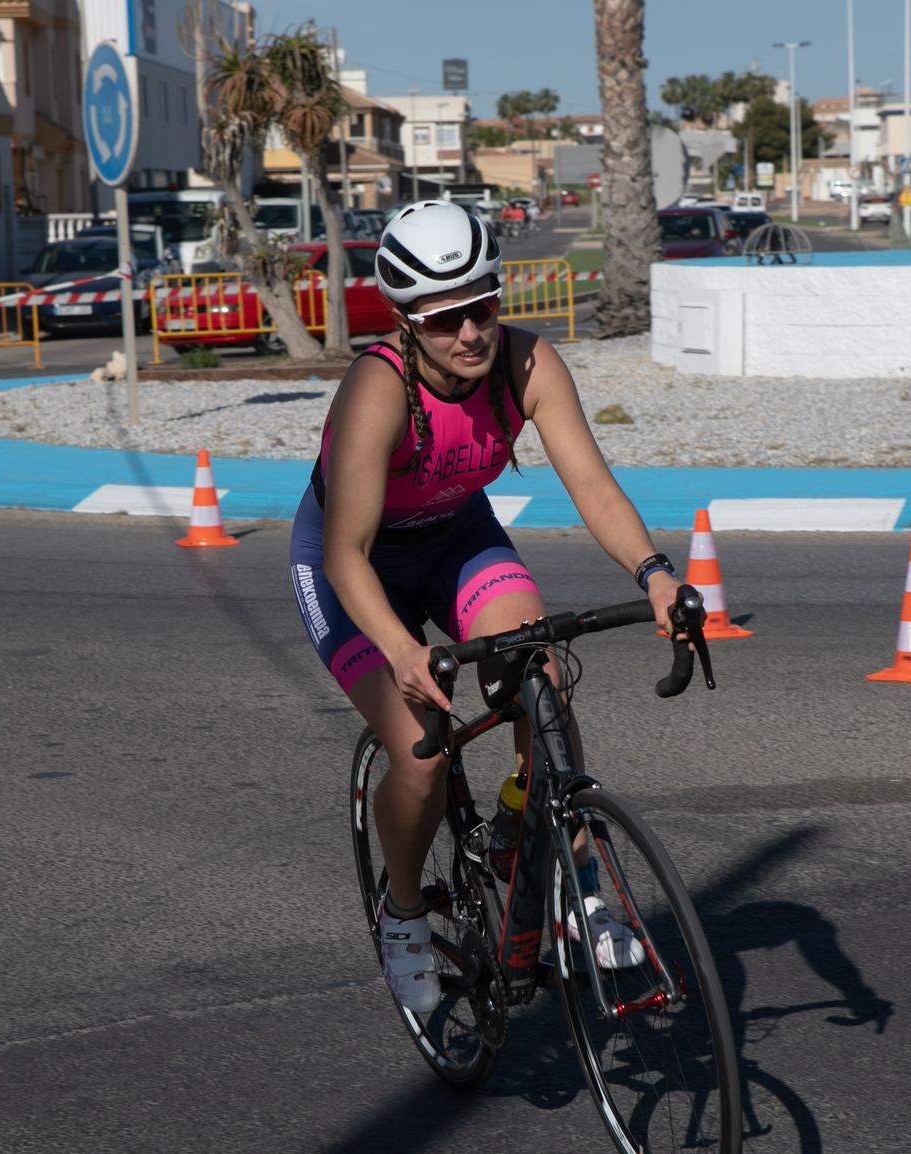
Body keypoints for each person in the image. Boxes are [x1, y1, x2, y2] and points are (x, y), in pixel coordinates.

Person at [287, 199, 685, 1013]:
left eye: (483, 306)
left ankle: (562, 867)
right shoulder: (377, 389)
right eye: (444, 321)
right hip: (354, 568)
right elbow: (344, 553)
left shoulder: (528, 364)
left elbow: (595, 489)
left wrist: (654, 573)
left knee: (541, 678)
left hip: (454, 537)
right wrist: (401, 650)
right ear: (404, 321)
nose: (470, 333)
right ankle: (402, 919)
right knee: (423, 755)